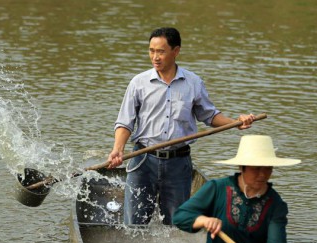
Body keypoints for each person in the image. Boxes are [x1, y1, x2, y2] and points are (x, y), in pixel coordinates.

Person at [106, 27, 255, 225]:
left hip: (178, 163)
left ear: (176, 51)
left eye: (161, 51)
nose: (155, 57)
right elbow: (125, 122)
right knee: (134, 223)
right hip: (143, 160)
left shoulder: (193, 82)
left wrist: (236, 123)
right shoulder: (139, 83)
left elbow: (210, 116)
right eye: (151, 51)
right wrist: (118, 149)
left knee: (176, 225)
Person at [172, 135, 301, 243]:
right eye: (256, 169)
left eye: (267, 168)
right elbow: (180, 217)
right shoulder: (217, 189)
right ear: (241, 167)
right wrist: (204, 220)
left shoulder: (275, 204)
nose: (262, 174)